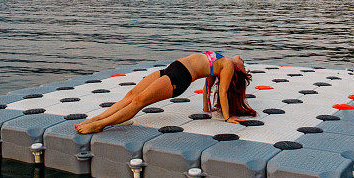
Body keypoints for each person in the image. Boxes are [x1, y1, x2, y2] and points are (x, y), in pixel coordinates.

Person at [75, 52, 255, 134]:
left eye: (244, 66)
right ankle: (97, 118)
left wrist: (226, 117)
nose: (243, 61)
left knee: (139, 101)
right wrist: (206, 108)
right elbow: (208, 88)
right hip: (170, 69)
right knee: (130, 95)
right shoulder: (222, 62)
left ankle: (101, 125)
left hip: (180, 77)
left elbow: (222, 91)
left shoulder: (229, 66)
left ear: (238, 71)